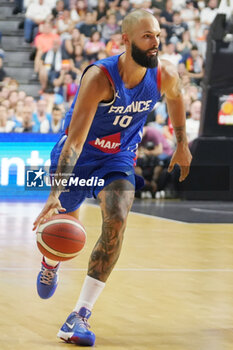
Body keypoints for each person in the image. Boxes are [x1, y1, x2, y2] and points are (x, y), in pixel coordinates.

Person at [33, 9, 192, 347]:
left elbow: (177, 98)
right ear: (126, 39)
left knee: (117, 219)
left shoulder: (163, 73)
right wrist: (54, 193)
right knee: (64, 231)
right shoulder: (100, 78)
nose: (155, 43)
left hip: (117, 159)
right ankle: (50, 261)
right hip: (79, 157)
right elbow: (74, 141)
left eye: (158, 36)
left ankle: (79, 316)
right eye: (147, 36)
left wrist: (181, 143)